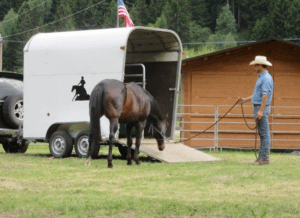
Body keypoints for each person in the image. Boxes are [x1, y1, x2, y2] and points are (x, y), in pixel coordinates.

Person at [238, 56, 274, 164]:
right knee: (262, 134)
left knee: (264, 134)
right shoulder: (262, 77)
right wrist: (244, 100)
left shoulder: (266, 78)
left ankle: (264, 158)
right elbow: (257, 95)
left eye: (256, 65)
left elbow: (265, 96)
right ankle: (262, 158)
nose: (254, 67)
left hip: (260, 107)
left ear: (260, 65)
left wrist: (261, 111)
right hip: (259, 106)